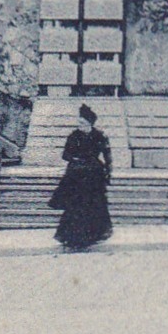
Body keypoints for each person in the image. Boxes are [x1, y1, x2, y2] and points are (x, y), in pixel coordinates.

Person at [47, 103, 112, 249]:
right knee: (75, 205)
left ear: (90, 123)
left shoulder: (99, 136)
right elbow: (65, 155)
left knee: (94, 205)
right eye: (79, 123)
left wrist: (108, 172)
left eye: (82, 123)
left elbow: (107, 155)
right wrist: (74, 158)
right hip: (76, 175)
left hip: (94, 175)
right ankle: (72, 236)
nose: (79, 126)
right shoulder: (73, 136)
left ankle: (93, 235)